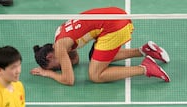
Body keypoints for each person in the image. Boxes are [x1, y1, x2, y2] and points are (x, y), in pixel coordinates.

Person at [31, 6, 170, 86]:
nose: (59, 68)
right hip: (116, 15)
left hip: (114, 27)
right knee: (94, 56)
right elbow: (75, 60)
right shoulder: (59, 36)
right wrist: (64, 63)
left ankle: (145, 68)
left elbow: (69, 80)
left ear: (50, 55)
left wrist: (47, 73)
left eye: (55, 67)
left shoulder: (60, 47)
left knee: (95, 75)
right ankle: (144, 50)